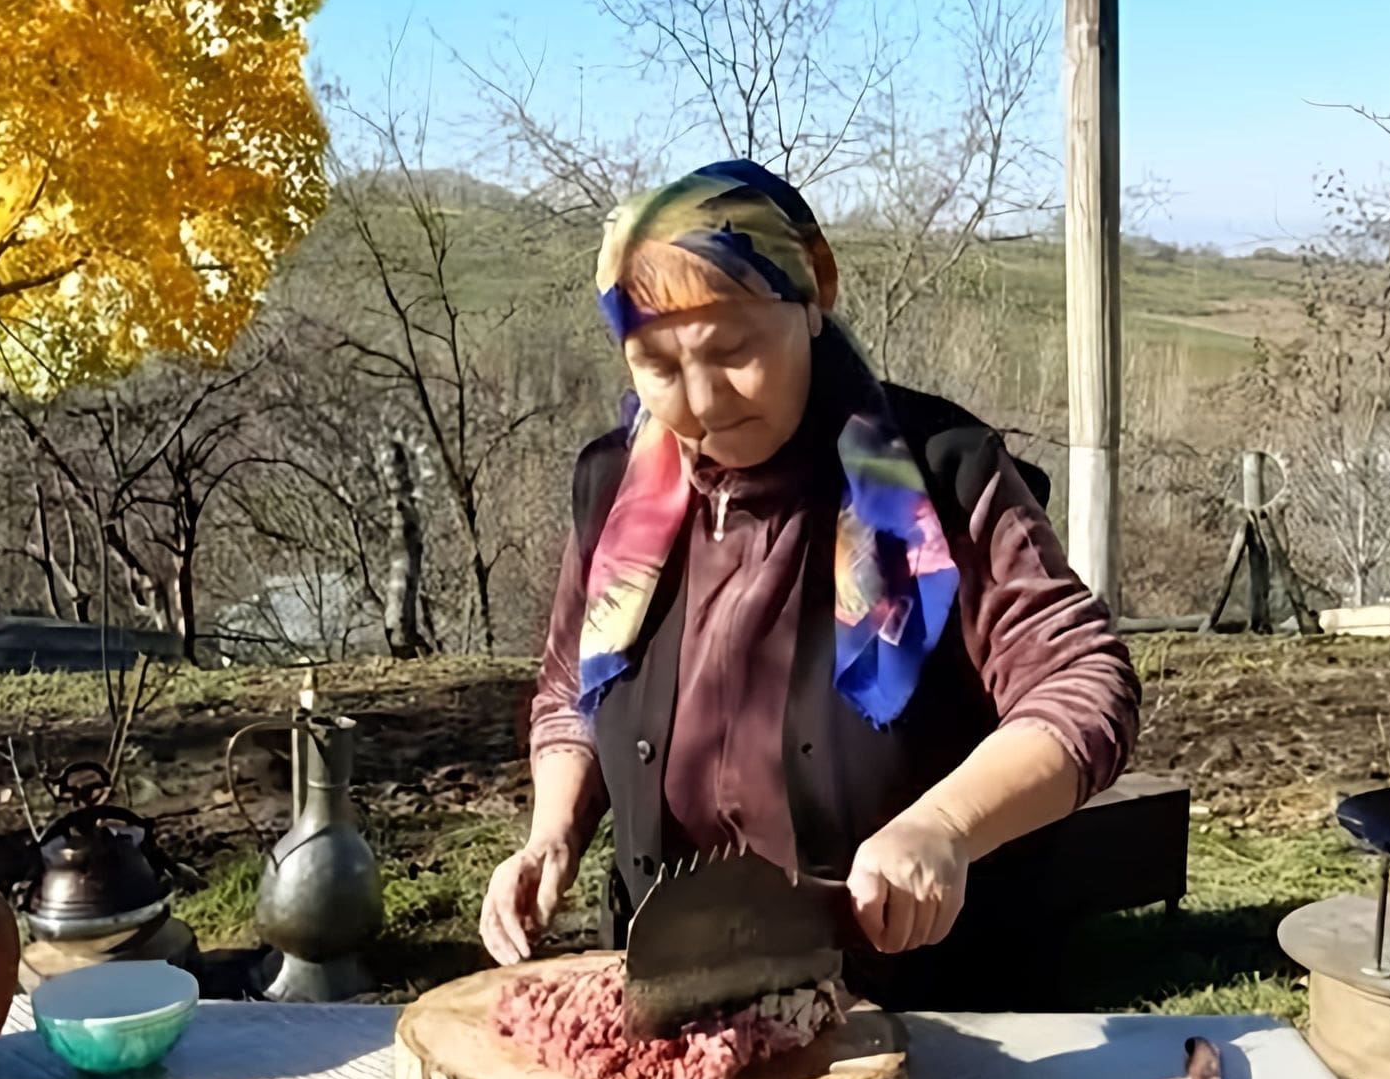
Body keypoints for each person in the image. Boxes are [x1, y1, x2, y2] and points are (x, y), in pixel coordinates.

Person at [478, 159, 1139, 1009]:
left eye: (735, 349)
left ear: (813, 291)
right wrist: (552, 834)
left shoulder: (939, 478)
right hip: (674, 995)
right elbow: (574, 686)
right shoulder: (615, 492)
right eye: (657, 366)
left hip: (928, 1005)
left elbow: (1084, 686)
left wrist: (941, 827)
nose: (704, 403)